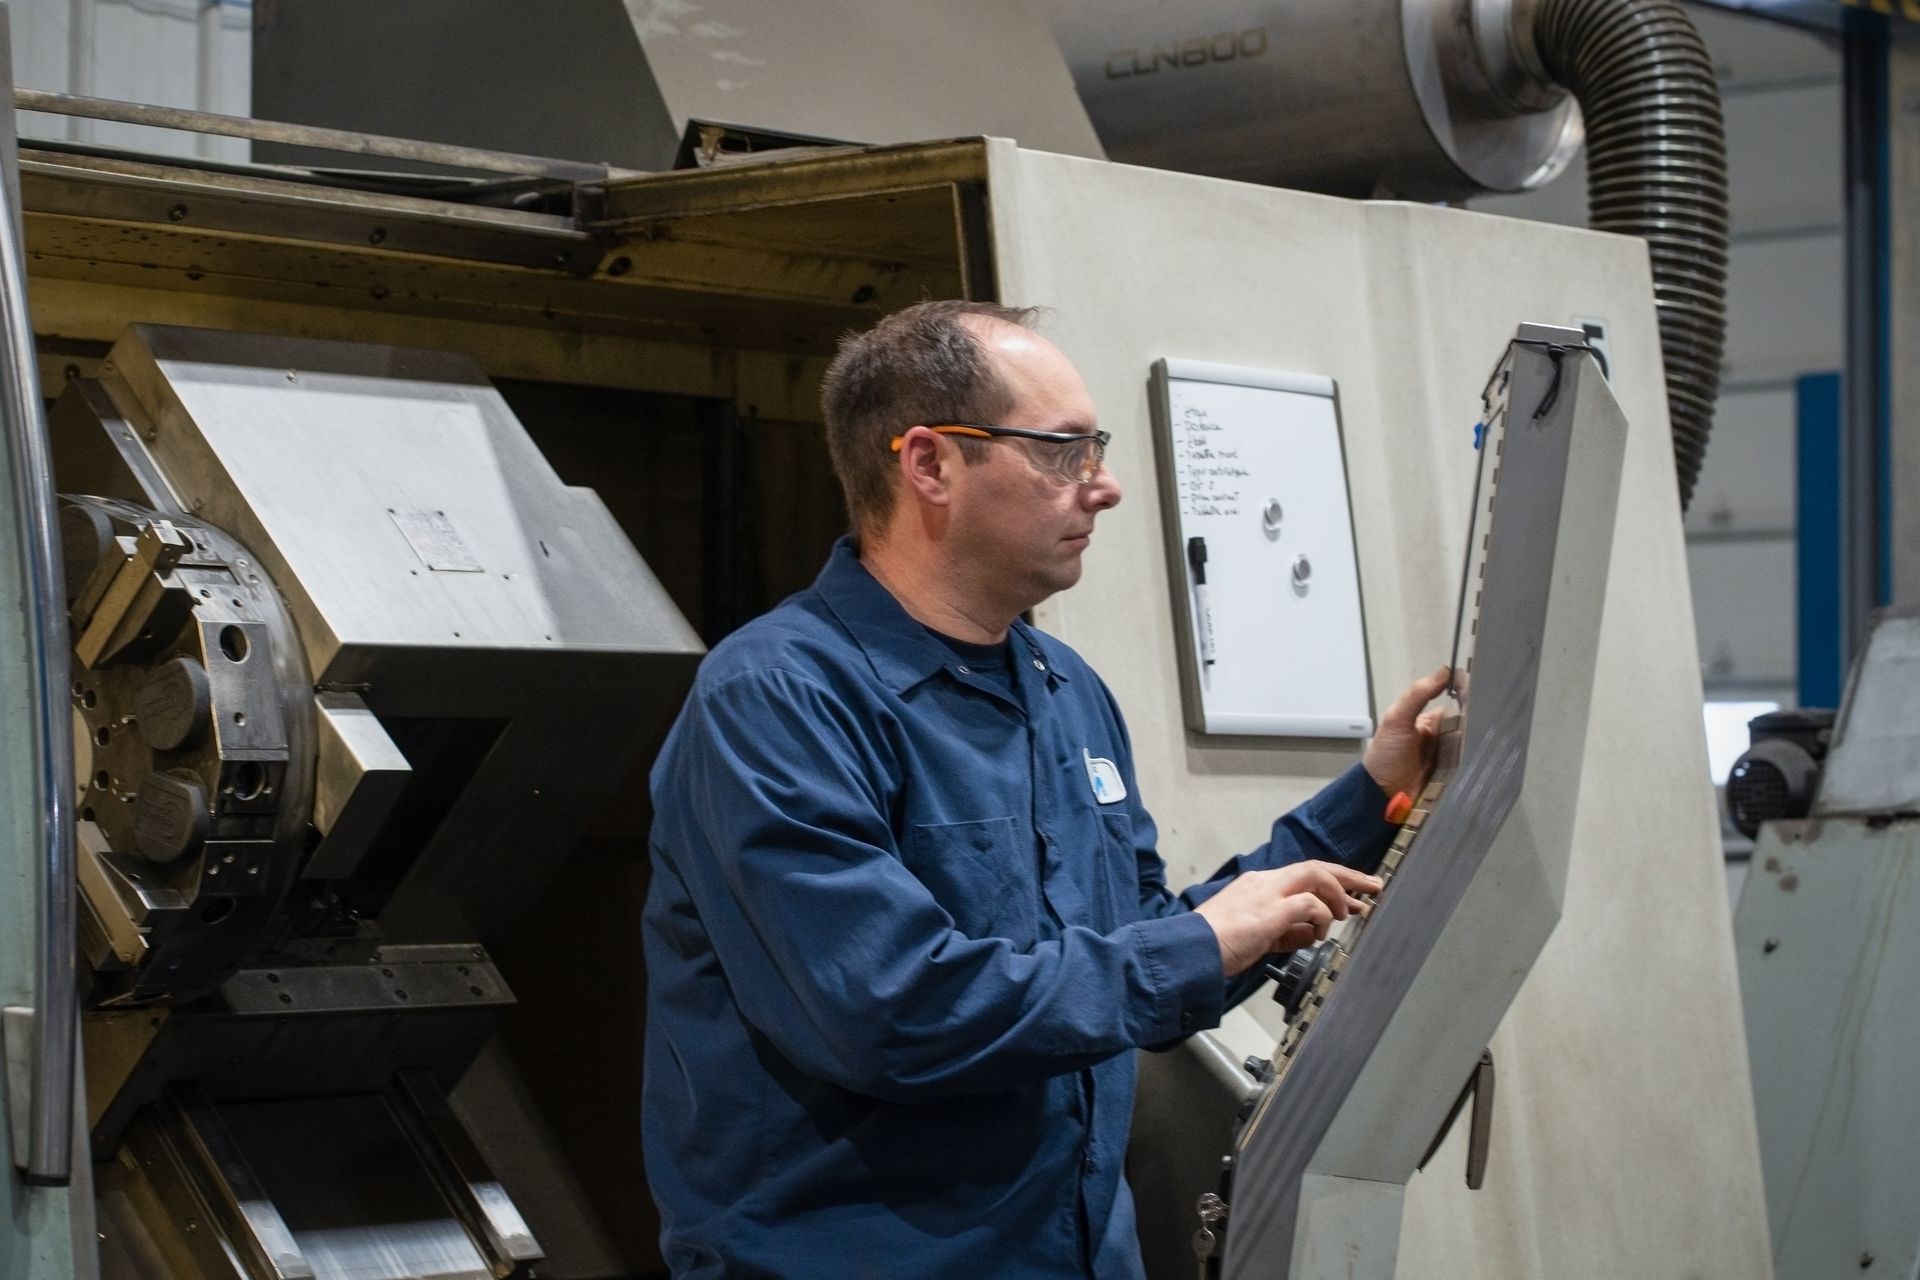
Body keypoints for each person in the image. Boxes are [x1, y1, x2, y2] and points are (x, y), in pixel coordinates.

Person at [643, 300, 1449, 1279]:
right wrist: (1192, 944)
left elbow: (1139, 954)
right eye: (1063, 451)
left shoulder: (1066, 692)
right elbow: (892, 1011)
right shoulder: (779, 699)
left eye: (1095, 448)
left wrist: (1371, 795)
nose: (1103, 487)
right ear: (930, 463)